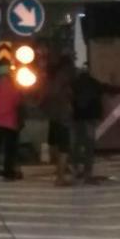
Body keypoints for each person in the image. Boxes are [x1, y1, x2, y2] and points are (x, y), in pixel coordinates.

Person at [72, 68, 120, 184]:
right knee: (89, 146)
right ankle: (88, 174)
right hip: (91, 118)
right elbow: (109, 89)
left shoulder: (74, 84)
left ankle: (76, 170)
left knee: (77, 144)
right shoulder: (94, 83)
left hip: (77, 118)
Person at [43, 56, 75, 186]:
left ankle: (60, 171)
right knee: (64, 147)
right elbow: (58, 94)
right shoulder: (62, 78)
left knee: (55, 145)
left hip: (54, 116)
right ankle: (60, 177)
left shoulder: (50, 79)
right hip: (62, 117)